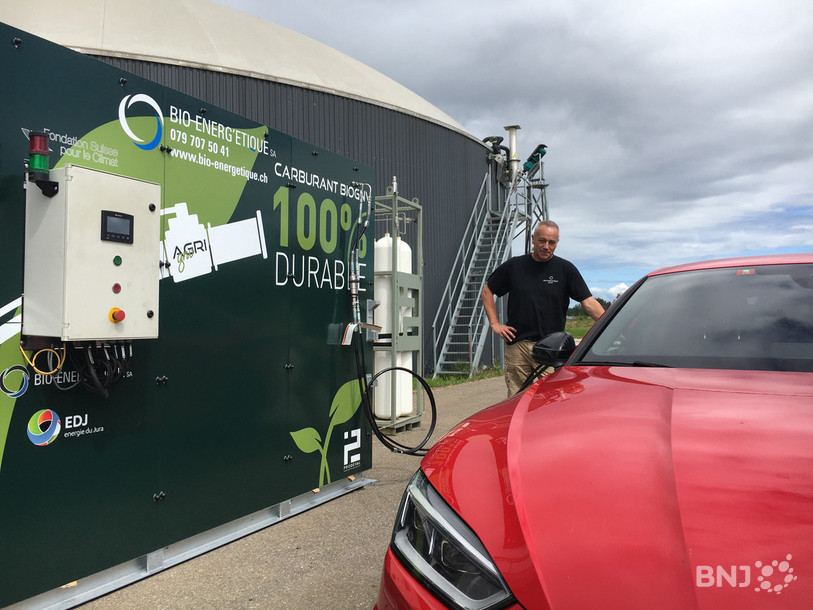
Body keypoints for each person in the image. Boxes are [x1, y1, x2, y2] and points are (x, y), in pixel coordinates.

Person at [481, 220, 604, 395]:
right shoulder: (514, 266)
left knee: (550, 398)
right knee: (517, 400)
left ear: (556, 243)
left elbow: (588, 303)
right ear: (533, 239)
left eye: (551, 242)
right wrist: (495, 324)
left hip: (551, 350)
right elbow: (487, 291)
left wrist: (612, 326)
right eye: (542, 240)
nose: (546, 246)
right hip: (518, 347)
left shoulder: (565, 270)